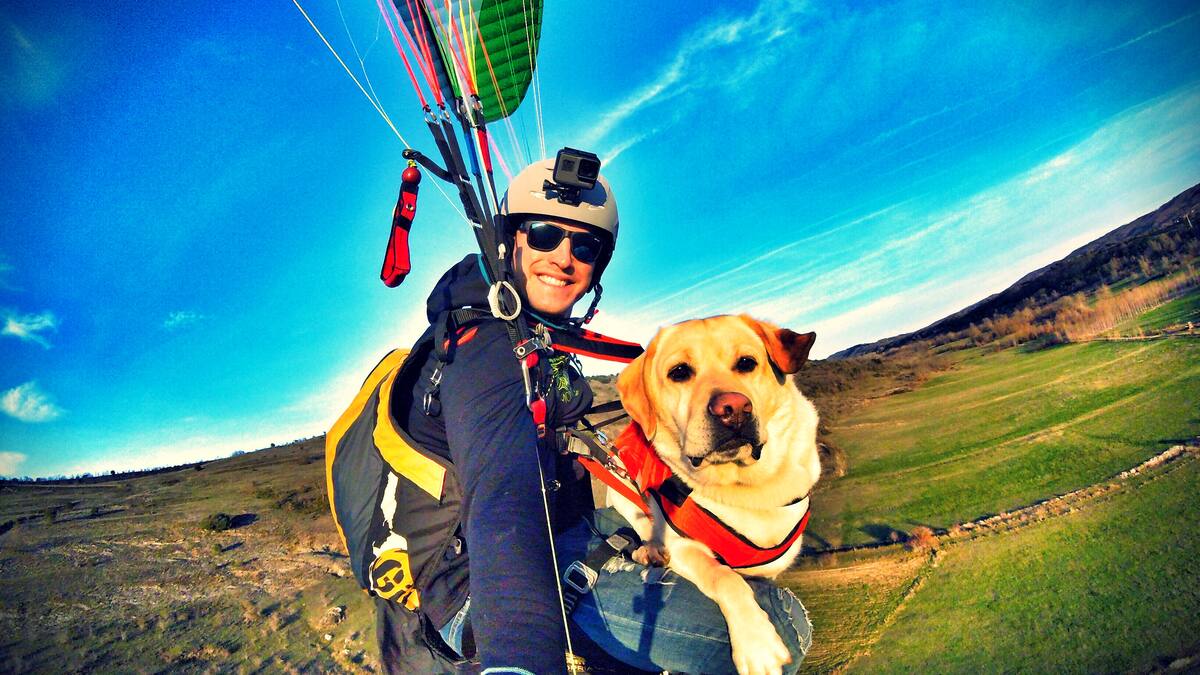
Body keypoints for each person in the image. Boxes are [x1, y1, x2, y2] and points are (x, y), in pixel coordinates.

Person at [366, 159, 813, 674]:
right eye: (543, 234)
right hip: (480, 585)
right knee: (780, 626)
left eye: (584, 247)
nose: (562, 257)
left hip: (553, 535)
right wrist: (519, 663)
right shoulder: (484, 350)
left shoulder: (524, 336)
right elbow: (502, 499)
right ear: (510, 242)